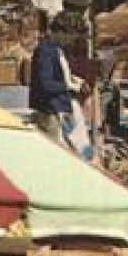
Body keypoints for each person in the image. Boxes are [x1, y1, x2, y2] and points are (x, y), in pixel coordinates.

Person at [28, 11, 92, 155]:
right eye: (71, 37)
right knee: (55, 151)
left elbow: (61, 75)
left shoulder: (56, 49)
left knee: (67, 148)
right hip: (50, 110)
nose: (72, 41)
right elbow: (46, 84)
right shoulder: (45, 51)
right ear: (63, 32)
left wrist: (76, 81)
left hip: (59, 108)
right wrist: (73, 87)